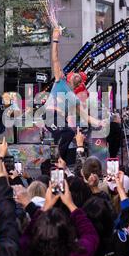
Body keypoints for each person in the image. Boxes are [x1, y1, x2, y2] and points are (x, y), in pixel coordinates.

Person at [46, 27, 104, 161]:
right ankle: (57, 162)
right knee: (66, 132)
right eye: (76, 73)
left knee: (66, 135)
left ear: (80, 83)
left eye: (80, 76)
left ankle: (60, 164)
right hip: (50, 115)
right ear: (70, 76)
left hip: (59, 120)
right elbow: (55, 58)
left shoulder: (75, 99)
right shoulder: (60, 80)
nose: (77, 74)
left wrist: (100, 122)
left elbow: (86, 117)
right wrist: (55, 39)